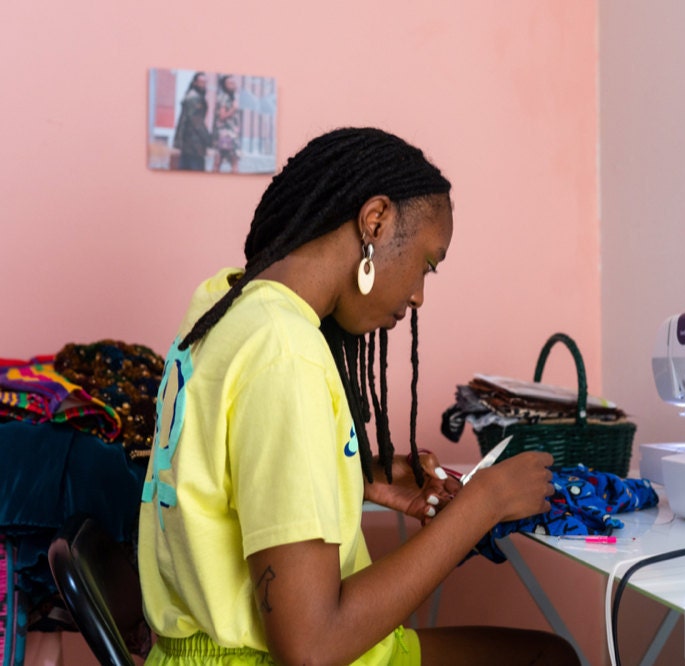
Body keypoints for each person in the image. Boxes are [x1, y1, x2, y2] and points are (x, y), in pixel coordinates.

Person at [138, 127, 579, 666]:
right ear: (375, 221)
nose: (418, 294)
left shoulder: (223, 304)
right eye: (426, 264)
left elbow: (221, 472)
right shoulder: (287, 352)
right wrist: (484, 505)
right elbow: (311, 647)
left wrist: (352, 477)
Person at [173, 71, 211, 171]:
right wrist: (208, 139)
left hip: (190, 142)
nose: (204, 85)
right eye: (201, 82)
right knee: (195, 170)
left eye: (205, 82)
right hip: (193, 143)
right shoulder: (194, 98)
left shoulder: (195, 96)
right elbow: (196, 121)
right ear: (195, 83)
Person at [212, 75, 241, 173]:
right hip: (225, 134)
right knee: (226, 161)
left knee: (227, 162)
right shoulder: (224, 97)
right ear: (225, 85)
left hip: (230, 133)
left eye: (233, 83)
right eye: (230, 83)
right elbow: (222, 116)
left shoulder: (231, 97)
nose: (233, 85)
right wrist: (233, 109)